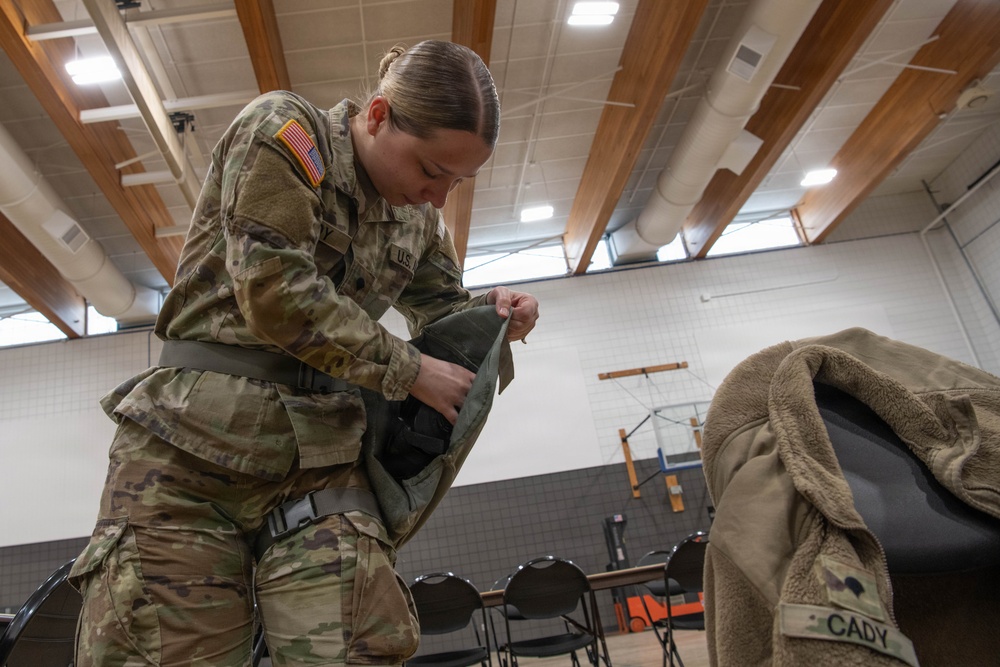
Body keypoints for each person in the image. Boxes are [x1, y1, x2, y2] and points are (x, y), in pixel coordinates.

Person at [69, 40, 539, 667]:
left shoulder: (416, 223)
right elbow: (274, 292)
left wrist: (496, 316)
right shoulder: (285, 134)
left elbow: (445, 313)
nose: (438, 198)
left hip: (320, 462)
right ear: (377, 116)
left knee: (360, 649)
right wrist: (409, 370)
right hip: (187, 459)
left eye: (458, 181)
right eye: (431, 171)